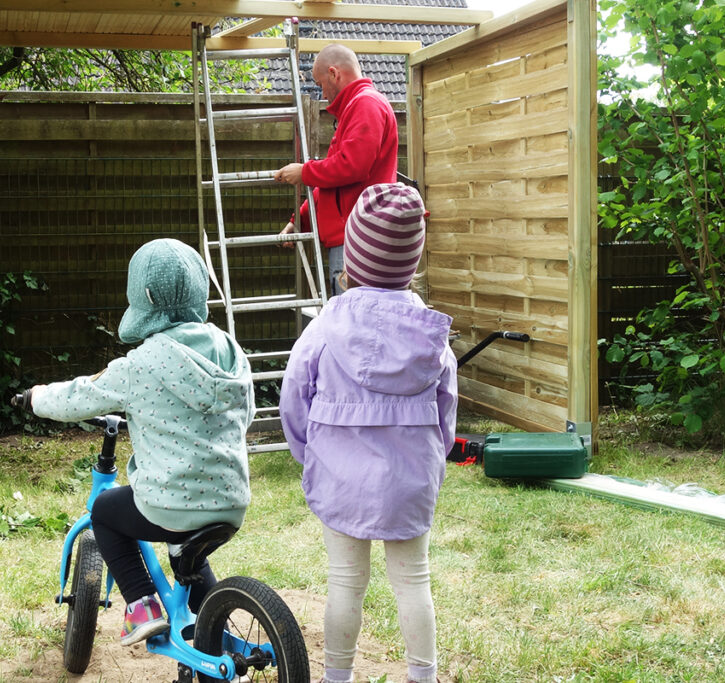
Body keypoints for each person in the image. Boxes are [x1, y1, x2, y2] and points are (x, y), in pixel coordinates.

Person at [24, 238, 255, 646]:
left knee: (105, 510)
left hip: (170, 504)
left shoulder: (142, 364)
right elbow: (246, 414)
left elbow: (81, 394)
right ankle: (215, 634)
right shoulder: (230, 351)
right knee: (187, 556)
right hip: (230, 502)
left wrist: (36, 398)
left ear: (143, 296)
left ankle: (141, 606)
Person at [279, 183, 457, 683]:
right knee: (414, 581)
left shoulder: (323, 328)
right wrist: (433, 458)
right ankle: (423, 676)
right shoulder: (432, 336)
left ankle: (338, 677)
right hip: (410, 479)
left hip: (339, 475)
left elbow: (293, 398)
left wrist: (311, 454)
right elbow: (447, 410)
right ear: (412, 262)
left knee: (344, 583)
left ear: (351, 259)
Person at [273, 43, 399, 297]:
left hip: (359, 237)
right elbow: (336, 181)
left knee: (352, 315)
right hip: (356, 234)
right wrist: (300, 220)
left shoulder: (365, 104)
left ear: (334, 73)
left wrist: (305, 172)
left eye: (321, 84)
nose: (323, 93)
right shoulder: (357, 106)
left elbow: (352, 166)